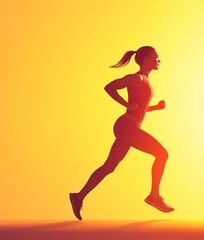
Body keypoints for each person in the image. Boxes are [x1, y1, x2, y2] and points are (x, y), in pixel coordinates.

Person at [69, 46, 174, 220]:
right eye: (156, 57)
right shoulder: (137, 78)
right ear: (146, 58)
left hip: (129, 127)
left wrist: (155, 107)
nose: (159, 60)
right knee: (162, 154)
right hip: (127, 127)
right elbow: (109, 87)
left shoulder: (145, 80)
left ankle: (78, 197)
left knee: (109, 166)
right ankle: (154, 196)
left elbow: (139, 109)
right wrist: (125, 104)